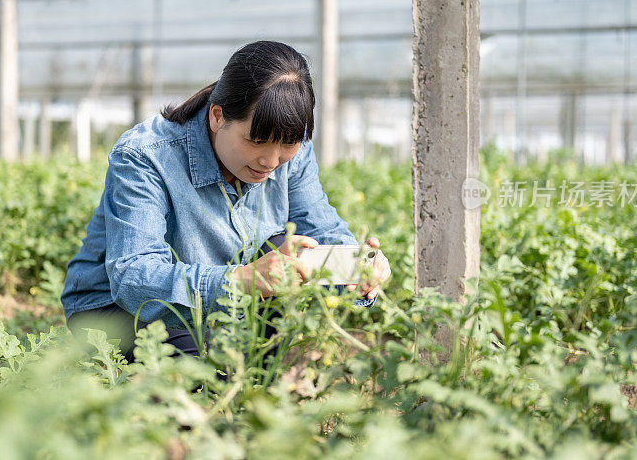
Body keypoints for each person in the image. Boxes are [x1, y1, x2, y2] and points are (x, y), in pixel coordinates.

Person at [61, 40, 391, 363]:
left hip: (220, 305)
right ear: (218, 117)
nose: (271, 161)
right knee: (203, 377)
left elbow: (320, 228)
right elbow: (134, 278)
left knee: (284, 251)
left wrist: (354, 267)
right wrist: (242, 280)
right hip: (118, 309)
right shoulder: (146, 155)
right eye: (256, 141)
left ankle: (246, 368)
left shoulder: (292, 152)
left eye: (288, 145)